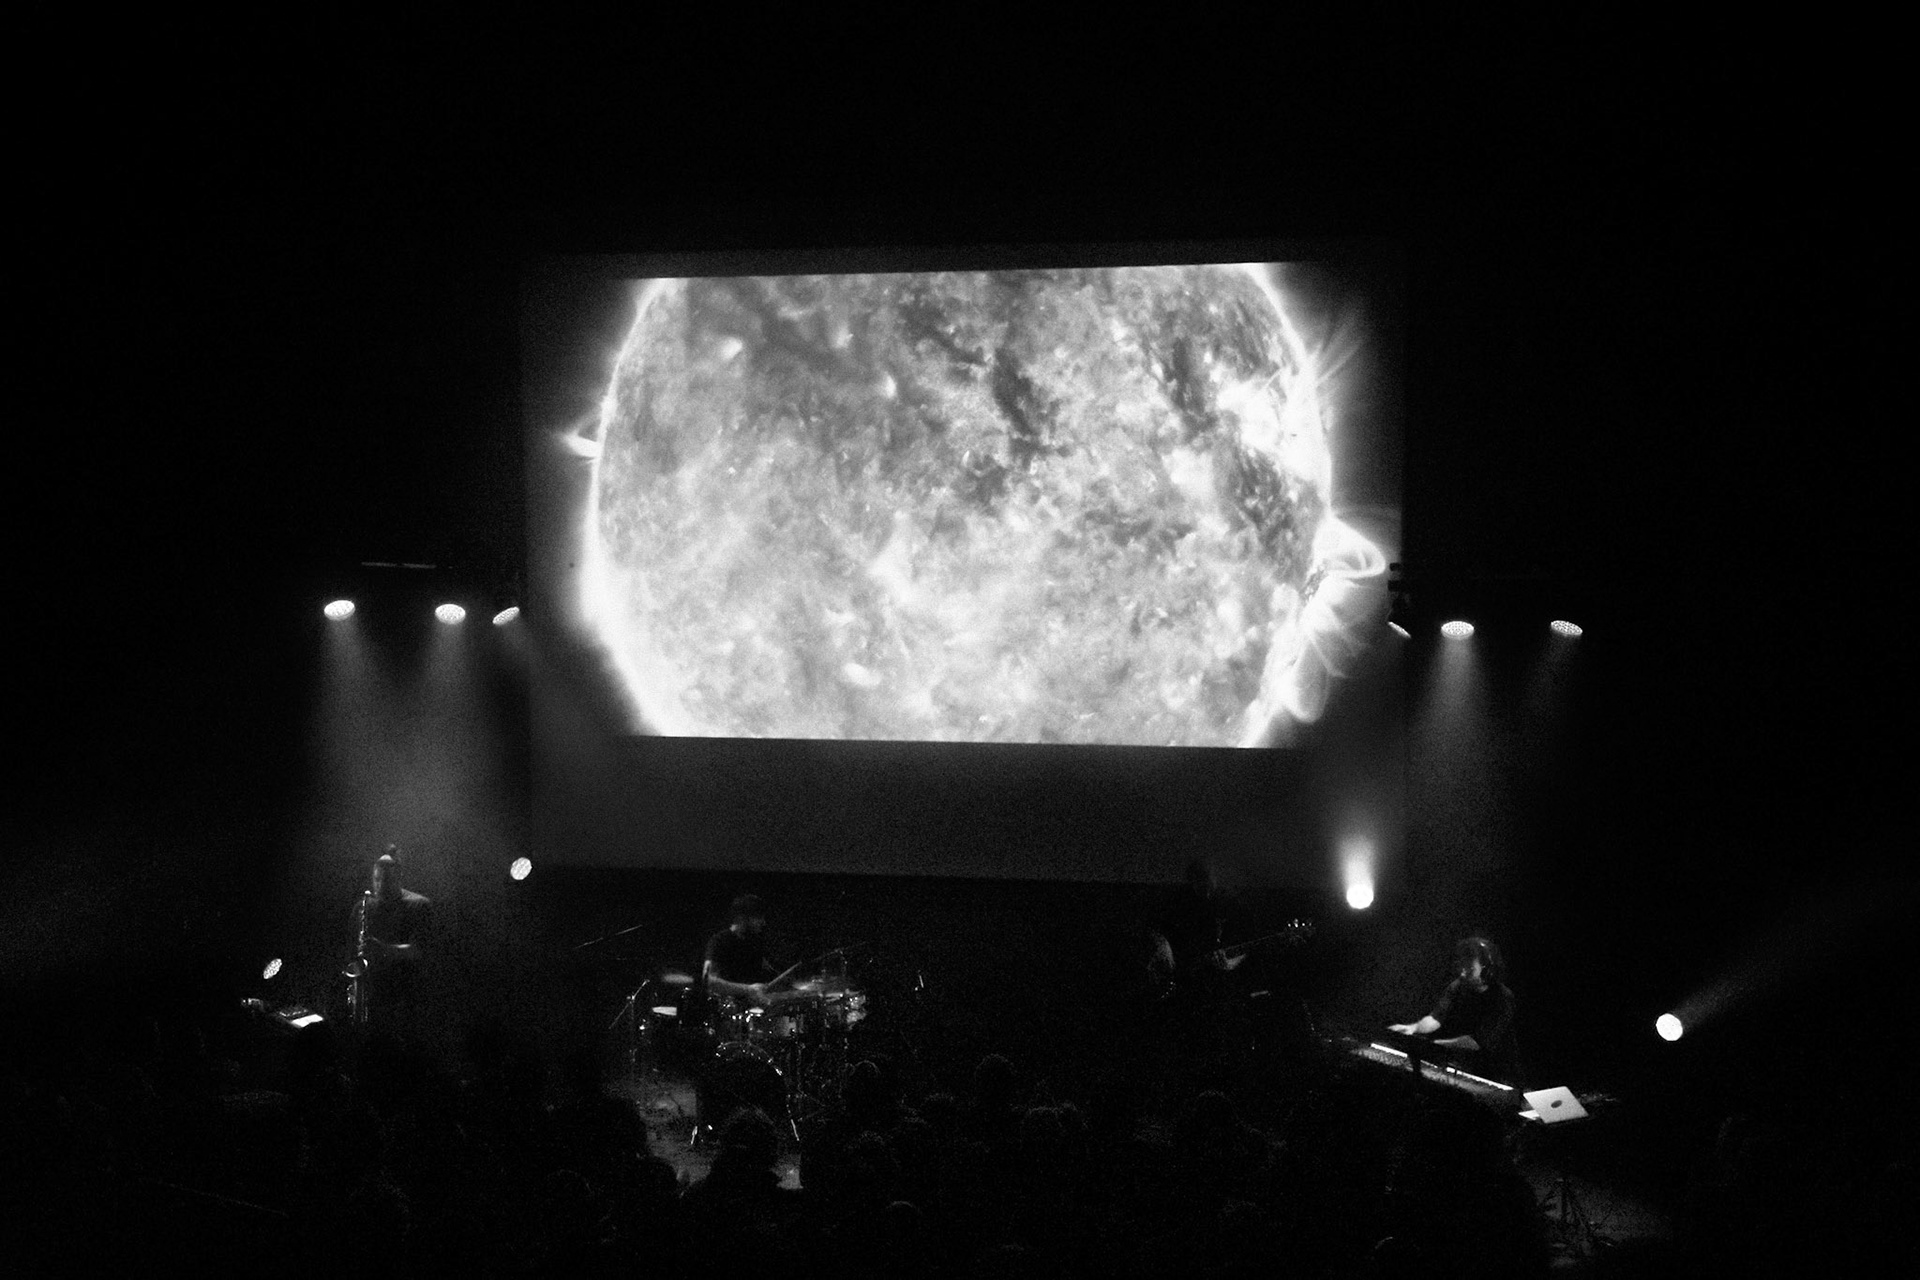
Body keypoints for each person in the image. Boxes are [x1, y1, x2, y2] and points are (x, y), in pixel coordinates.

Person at [1389, 936, 1520, 1084]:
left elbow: (1477, 1042)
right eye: (1462, 967)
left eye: (1470, 968)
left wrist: (1433, 1045)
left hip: (1498, 1075)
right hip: (1464, 1067)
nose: (1463, 973)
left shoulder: (1503, 997)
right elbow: (1436, 1018)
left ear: (1487, 968)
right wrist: (1413, 1028)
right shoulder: (1457, 987)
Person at [346, 847, 431, 1033]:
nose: (380, 885)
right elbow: (351, 950)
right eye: (377, 879)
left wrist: (384, 949)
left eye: (387, 880)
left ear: (399, 879)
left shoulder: (419, 905)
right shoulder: (363, 906)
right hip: (371, 989)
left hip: (404, 995)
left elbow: (420, 950)